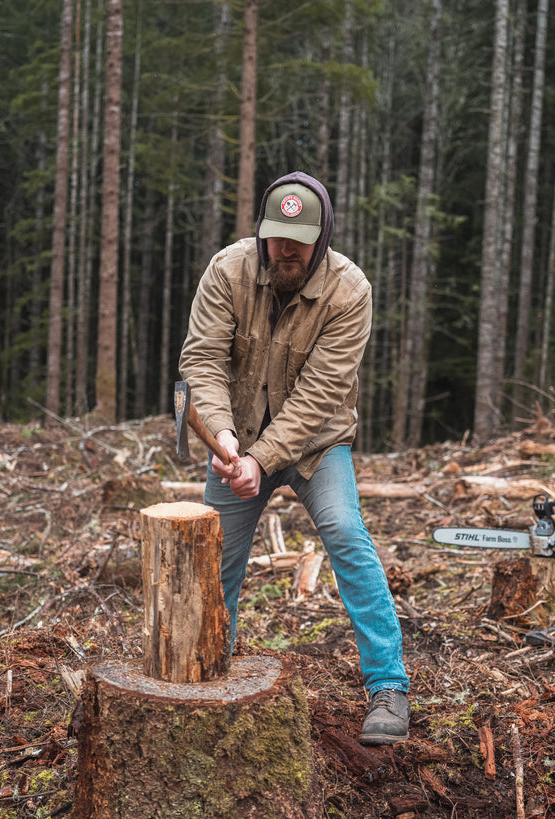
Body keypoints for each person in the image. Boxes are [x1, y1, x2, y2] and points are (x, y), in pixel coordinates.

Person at [178, 171, 410, 745]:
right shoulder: (227, 270)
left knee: (346, 534)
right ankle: (207, 674)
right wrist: (226, 438)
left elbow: (321, 393)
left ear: (322, 236)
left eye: (299, 239)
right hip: (239, 439)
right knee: (215, 560)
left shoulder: (350, 290)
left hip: (314, 443)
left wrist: (263, 456)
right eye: (277, 236)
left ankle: (388, 685)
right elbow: (202, 360)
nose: (285, 249)